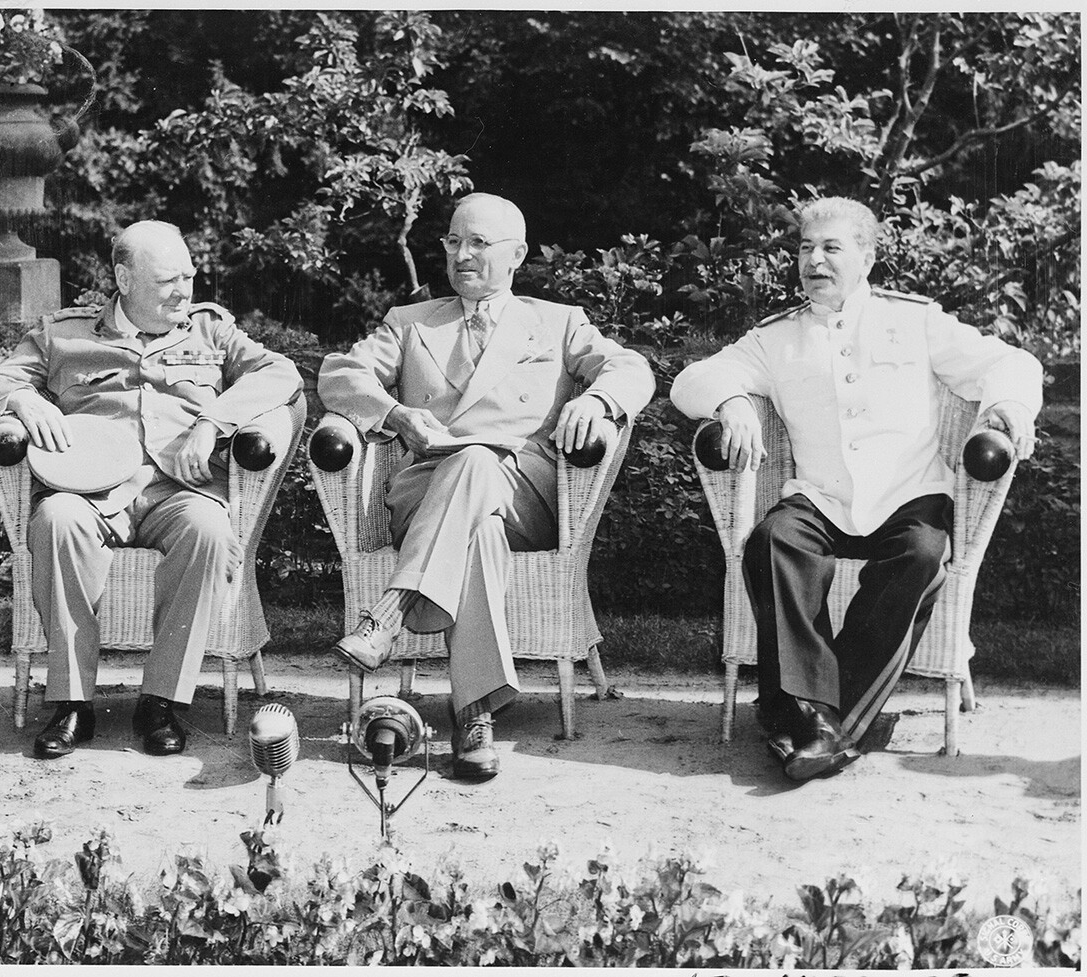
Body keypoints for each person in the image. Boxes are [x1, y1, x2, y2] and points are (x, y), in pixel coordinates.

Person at [670, 197, 1042, 782]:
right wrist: (733, 400)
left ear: (866, 257)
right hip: (821, 497)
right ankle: (822, 720)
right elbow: (692, 379)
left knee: (923, 554)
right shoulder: (777, 338)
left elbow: (1010, 363)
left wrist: (1007, 406)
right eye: (805, 248)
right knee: (772, 541)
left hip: (908, 495)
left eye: (831, 248)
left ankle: (813, 717)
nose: (814, 260)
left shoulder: (915, 320)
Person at [317, 192, 654, 781]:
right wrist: (396, 415)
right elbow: (338, 374)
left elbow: (632, 368)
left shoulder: (558, 322)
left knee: (477, 463)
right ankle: (473, 713)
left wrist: (599, 400)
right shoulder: (410, 323)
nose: (462, 255)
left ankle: (391, 615)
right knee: (478, 526)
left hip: (525, 491)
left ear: (518, 253)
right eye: (452, 242)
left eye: (479, 243)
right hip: (427, 494)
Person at [0, 220, 303, 759]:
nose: (184, 290)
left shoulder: (211, 332)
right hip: (91, 493)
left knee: (210, 530)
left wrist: (213, 420)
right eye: (168, 281)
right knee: (55, 520)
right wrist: (21, 400)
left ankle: (161, 701)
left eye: (188, 276)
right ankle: (72, 704)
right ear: (122, 277)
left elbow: (282, 376)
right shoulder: (63, 335)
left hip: (177, 490)